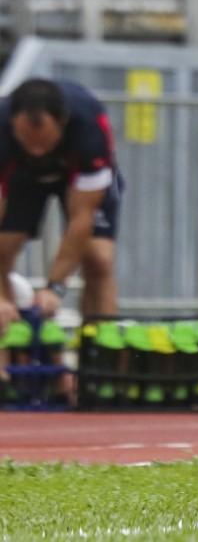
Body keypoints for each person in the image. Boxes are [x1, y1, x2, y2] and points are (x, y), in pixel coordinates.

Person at [0, 78, 122, 390]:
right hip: (21, 177)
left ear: (63, 122)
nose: (37, 150)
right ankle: (13, 367)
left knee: (99, 259)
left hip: (76, 172)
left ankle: (99, 369)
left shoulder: (89, 128)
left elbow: (81, 218)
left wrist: (55, 287)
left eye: (44, 141)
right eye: (28, 141)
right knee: (3, 249)